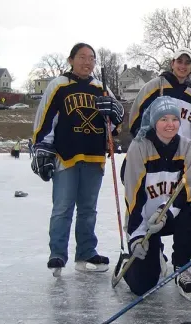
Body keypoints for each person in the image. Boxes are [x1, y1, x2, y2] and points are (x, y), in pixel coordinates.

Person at [31, 42, 124, 275]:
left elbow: (115, 125)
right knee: (63, 207)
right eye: (82, 57)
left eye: (91, 58)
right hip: (67, 155)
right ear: (71, 59)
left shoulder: (100, 88)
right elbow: (45, 118)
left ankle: (85, 252)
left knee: (88, 209)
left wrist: (113, 112)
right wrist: (43, 147)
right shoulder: (59, 85)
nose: (87, 62)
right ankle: (57, 254)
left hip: (94, 156)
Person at [122, 96, 191, 301]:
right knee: (143, 286)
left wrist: (166, 212)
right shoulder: (139, 147)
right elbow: (134, 193)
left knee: (188, 214)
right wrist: (137, 235)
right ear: (154, 121)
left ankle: (181, 268)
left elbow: (189, 189)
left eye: (174, 119)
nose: (170, 124)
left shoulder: (187, 147)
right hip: (145, 221)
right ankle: (131, 262)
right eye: (164, 119)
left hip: (171, 215)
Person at [125, 47, 191, 256]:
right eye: (180, 61)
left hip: (182, 156)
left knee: (184, 202)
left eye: (187, 63)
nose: (183, 66)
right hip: (153, 155)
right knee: (150, 200)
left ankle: (184, 249)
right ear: (172, 62)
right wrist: (142, 145)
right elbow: (135, 118)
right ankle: (152, 246)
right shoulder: (154, 86)